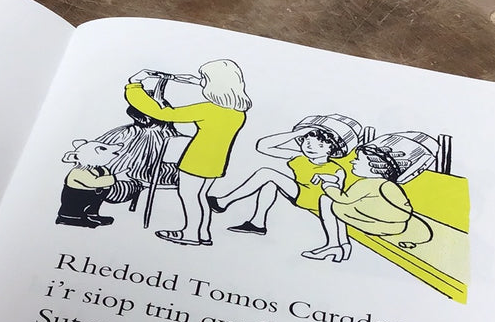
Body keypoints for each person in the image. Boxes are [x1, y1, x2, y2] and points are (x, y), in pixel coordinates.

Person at [125, 60, 251, 245]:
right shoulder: (237, 112)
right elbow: (217, 90)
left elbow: (164, 114)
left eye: (205, 78)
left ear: (213, 83)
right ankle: (204, 234)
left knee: (189, 197)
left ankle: (190, 234)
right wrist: (194, 81)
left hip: (196, 160)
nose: (201, 81)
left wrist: (134, 86)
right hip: (217, 162)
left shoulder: (208, 109)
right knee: (201, 196)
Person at [210, 115, 360, 262]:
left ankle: (224, 201)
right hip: (300, 192)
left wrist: (327, 178)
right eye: (307, 143)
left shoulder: (335, 168)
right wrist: (297, 134)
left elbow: (337, 188)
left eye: (320, 146)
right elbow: (262, 146)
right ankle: (257, 223)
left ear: (331, 149)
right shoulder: (299, 157)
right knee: (269, 183)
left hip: (317, 201)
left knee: (266, 173)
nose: (310, 148)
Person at [307, 143, 433, 259]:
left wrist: (328, 185)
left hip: (378, 225)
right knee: (338, 204)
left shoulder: (367, 183)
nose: (352, 161)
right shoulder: (388, 184)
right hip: (397, 226)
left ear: (373, 165)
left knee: (327, 201)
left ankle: (334, 245)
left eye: (358, 159)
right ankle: (343, 245)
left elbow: (342, 198)